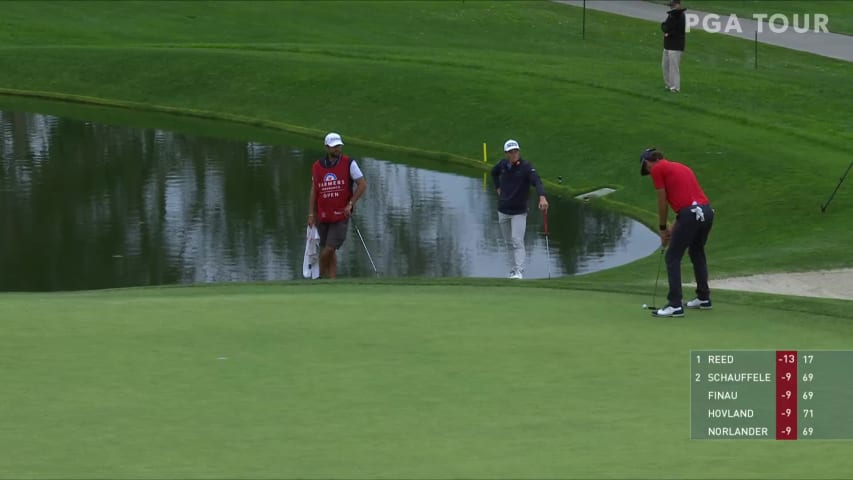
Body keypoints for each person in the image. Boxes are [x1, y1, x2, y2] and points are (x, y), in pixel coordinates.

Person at [640, 147, 714, 317]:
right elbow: (686, 205)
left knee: (672, 257)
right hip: (706, 212)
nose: (649, 173)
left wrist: (662, 228)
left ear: (648, 162)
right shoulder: (682, 166)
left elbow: (662, 200)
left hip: (690, 214)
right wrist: (671, 230)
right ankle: (704, 298)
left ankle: (675, 305)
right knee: (697, 252)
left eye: (647, 169)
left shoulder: (658, 169)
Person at [307, 132, 367, 279]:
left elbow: (362, 184)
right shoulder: (317, 166)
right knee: (329, 251)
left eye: (339, 146)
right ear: (326, 147)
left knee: (329, 249)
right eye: (334, 147)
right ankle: (332, 281)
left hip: (341, 215)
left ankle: (317, 276)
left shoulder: (349, 163)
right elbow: (314, 191)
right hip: (323, 214)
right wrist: (311, 214)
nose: (337, 149)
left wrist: (350, 203)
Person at [491, 139, 548, 279]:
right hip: (503, 210)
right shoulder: (502, 165)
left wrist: (542, 197)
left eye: (516, 151)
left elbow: (537, 181)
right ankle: (513, 269)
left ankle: (519, 271)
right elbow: (493, 173)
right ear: (506, 154)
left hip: (519, 211)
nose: (514, 154)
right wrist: (498, 187)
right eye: (511, 152)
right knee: (508, 242)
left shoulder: (526, 167)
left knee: (517, 240)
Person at [661, 0, 686, 93]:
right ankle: (668, 85)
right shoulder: (672, 15)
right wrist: (666, 30)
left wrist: (668, 32)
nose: (671, 7)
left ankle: (675, 88)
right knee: (665, 66)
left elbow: (674, 29)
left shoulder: (680, 16)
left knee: (673, 67)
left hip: (676, 46)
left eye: (673, 5)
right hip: (668, 44)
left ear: (678, 5)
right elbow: (665, 26)